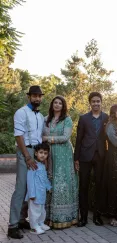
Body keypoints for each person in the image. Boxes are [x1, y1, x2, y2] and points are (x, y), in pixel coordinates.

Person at [7, 85, 45, 239]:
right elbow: (18, 136)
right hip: (25, 152)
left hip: (36, 152)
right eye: (34, 96)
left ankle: (22, 219)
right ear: (29, 97)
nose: (37, 98)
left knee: (31, 187)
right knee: (21, 187)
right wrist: (27, 156)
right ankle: (12, 225)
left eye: (39, 96)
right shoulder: (21, 112)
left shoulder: (40, 116)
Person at [42, 96, 78, 229]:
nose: (57, 105)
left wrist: (48, 138)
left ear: (63, 106)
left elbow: (65, 137)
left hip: (64, 154)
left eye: (60, 103)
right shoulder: (45, 119)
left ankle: (66, 217)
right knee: (50, 180)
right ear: (52, 105)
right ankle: (48, 217)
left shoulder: (67, 119)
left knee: (62, 181)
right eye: (55, 102)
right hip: (49, 154)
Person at [74, 92, 109, 227]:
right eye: (93, 101)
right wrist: (76, 158)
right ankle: (83, 217)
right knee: (83, 186)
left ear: (101, 102)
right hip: (85, 155)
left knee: (99, 186)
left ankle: (97, 216)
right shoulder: (83, 118)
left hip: (101, 155)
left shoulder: (106, 117)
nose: (96, 103)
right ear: (90, 103)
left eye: (98, 101)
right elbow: (78, 139)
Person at [25, 143, 52, 235]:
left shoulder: (42, 165)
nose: (43, 155)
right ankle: (34, 227)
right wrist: (32, 194)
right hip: (35, 194)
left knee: (41, 210)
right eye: (41, 152)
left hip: (42, 194)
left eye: (45, 153)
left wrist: (49, 187)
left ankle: (40, 223)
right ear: (36, 153)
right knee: (34, 211)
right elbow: (30, 181)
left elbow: (44, 178)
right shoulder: (33, 166)